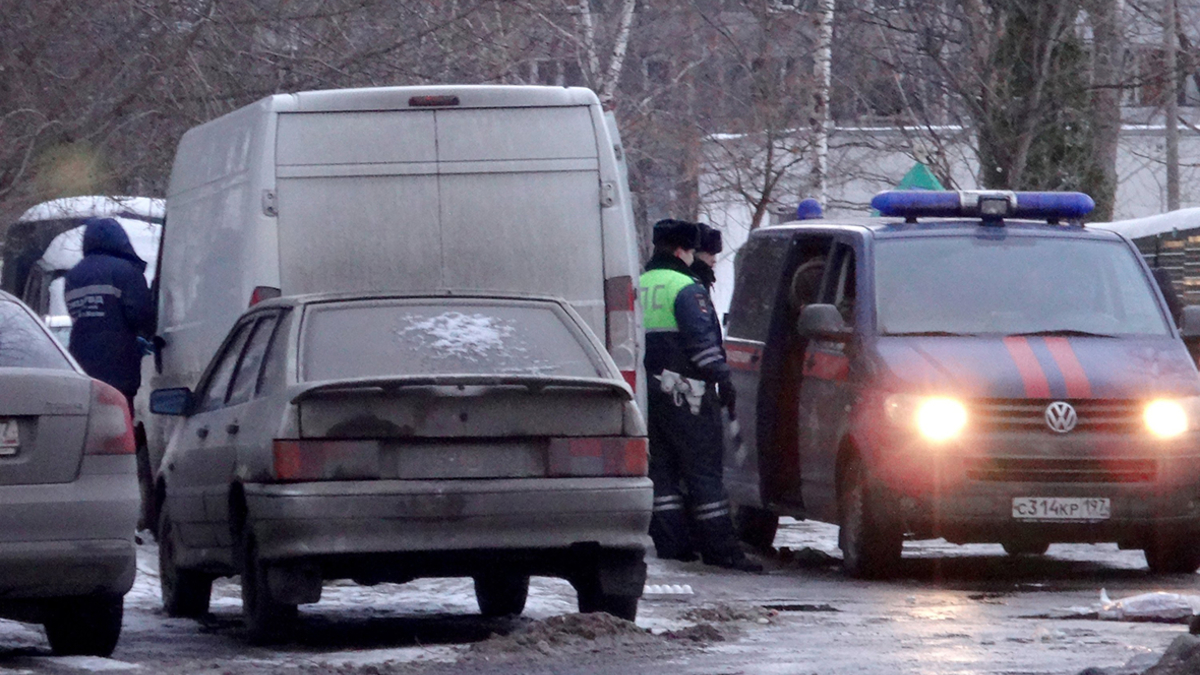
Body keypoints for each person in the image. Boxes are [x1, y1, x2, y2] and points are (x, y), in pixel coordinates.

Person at [640, 219, 761, 572]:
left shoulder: (639, 284)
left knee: (661, 472)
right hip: (687, 395)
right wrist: (723, 380)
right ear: (682, 250)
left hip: (648, 396)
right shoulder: (686, 288)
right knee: (704, 471)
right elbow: (703, 346)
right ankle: (721, 550)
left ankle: (672, 545)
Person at [64, 218, 155, 406]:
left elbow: (76, 315)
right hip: (118, 367)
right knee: (118, 425)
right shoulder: (126, 272)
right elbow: (141, 315)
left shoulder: (73, 275)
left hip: (80, 364)